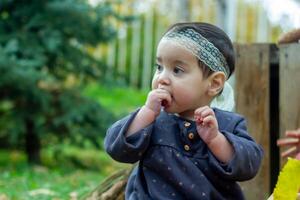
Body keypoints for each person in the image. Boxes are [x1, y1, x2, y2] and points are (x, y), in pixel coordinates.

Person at [104, 22, 264, 200]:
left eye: (177, 70)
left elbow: (249, 165)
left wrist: (215, 139)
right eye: (159, 67)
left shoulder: (228, 124)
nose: (162, 78)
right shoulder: (151, 119)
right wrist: (147, 112)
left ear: (214, 83)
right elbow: (116, 149)